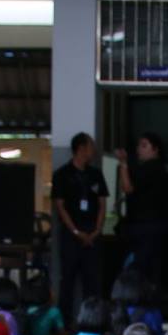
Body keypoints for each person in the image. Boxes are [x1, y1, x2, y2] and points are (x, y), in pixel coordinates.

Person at [50, 132, 108, 318]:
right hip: (70, 234)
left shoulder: (95, 174)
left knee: (92, 281)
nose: (94, 150)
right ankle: (65, 322)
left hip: (92, 231)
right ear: (81, 149)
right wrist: (75, 231)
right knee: (67, 279)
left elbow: (102, 204)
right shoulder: (62, 175)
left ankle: (93, 320)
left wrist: (97, 230)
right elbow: (60, 207)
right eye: (91, 146)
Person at [116, 131, 168, 282]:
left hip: (145, 227)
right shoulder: (165, 168)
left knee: (139, 268)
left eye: (144, 146)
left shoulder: (150, 167)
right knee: (153, 268)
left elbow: (127, 188)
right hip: (158, 225)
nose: (139, 149)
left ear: (155, 149)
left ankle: (140, 295)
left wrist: (123, 163)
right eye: (138, 146)